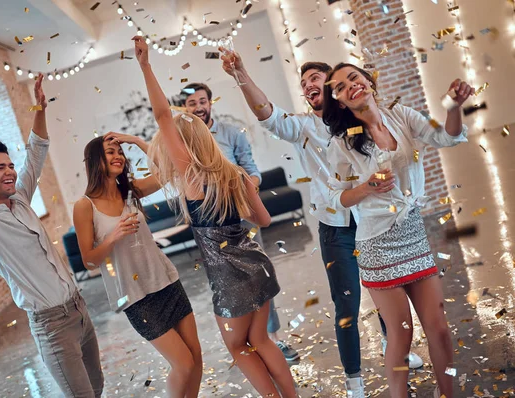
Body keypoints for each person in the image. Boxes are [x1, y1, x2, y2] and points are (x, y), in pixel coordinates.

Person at [220, 50, 423, 397]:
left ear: (333, 87)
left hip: (375, 222)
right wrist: (240, 72)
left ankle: (398, 352)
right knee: (347, 303)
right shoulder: (302, 127)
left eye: (315, 79)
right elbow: (265, 112)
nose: (308, 86)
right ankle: (354, 379)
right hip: (337, 229)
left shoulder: (360, 122)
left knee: (386, 294)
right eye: (303, 84)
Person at [133, 36, 297, 398]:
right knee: (261, 339)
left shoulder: (191, 178)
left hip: (231, 280)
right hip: (258, 265)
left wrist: (145, 65)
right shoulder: (235, 175)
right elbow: (265, 221)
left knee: (239, 348)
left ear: (184, 147)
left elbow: (162, 116)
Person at [322, 62, 472, 398]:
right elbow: (336, 199)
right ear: (341, 102)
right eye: (343, 87)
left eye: (355, 78)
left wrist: (454, 105)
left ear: (368, 81)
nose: (352, 86)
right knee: (401, 335)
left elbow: (444, 136)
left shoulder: (400, 114)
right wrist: (367, 188)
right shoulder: (342, 145)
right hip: (377, 244)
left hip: (413, 233)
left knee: (441, 330)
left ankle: (447, 393)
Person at [0, 74, 104, 398]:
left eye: (10, 165)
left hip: (79, 310)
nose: (10, 172)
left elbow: (37, 150)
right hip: (52, 326)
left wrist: (39, 107)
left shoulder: (19, 197)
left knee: (97, 386)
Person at [73, 132, 203, 398]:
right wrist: (113, 237)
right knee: (183, 364)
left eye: (120, 152)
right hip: (136, 297)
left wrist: (134, 140)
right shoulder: (84, 207)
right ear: (95, 160)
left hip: (166, 281)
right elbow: (88, 261)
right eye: (110, 151)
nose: (118, 156)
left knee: (196, 358)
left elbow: (169, 169)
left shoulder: (131, 190)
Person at [181, 82, 299, 362]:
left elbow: (251, 170)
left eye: (202, 101)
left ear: (210, 102)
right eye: (191, 103)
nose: (198, 107)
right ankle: (244, 342)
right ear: (184, 109)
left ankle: (274, 338)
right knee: (228, 287)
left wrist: (247, 188)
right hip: (210, 229)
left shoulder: (232, 134)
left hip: (242, 219)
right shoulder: (184, 143)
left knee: (259, 278)